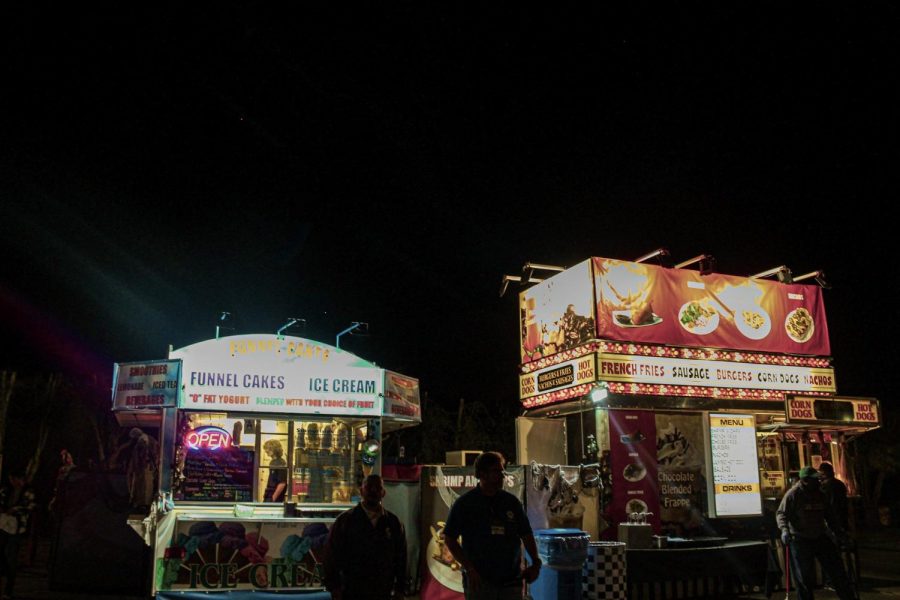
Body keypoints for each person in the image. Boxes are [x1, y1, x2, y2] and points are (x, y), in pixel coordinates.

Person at [443, 451, 541, 600]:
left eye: (502, 471)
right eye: (497, 471)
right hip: (480, 583)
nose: (502, 476)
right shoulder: (465, 504)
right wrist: (469, 568)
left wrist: (535, 562)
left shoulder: (511, 502)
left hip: (511, 582)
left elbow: (526, 534)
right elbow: (450, 539)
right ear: (482, 474)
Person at [776, 465, 854, 600]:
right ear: (805, 480)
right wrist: (784, 530)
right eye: (814, 480)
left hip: (819, 536)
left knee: (837, 572)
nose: (818, 482)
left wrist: (840, 534)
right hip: (800, 539)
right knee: (804, 578)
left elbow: (830, 517)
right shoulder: (793, 494)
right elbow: (781, 514)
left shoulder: (820, 494)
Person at [323, 474, 407, 600]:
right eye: (369, 487)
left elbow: (401, 558)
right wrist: (334, 587)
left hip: (383, 591)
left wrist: (400, 589)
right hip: (351, 591)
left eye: (377, 488)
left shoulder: (393, 523)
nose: (373, 490)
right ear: (361, 491)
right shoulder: (345, 521)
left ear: (383, 493)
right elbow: (331, 556)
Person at [0, 468, 36, 600]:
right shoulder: (6, 490)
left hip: (16, 528)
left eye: (14, 479)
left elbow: (30, 507)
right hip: (3, 524)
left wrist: (15, 510)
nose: (12, 482)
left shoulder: (28, 492)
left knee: (11, 558)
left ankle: (8, 590)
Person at [818, 462, 849, 532]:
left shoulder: (824, 487)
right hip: (842, 514)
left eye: (821, 474)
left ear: (824, 473)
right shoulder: (840, 484)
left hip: (832, 516)